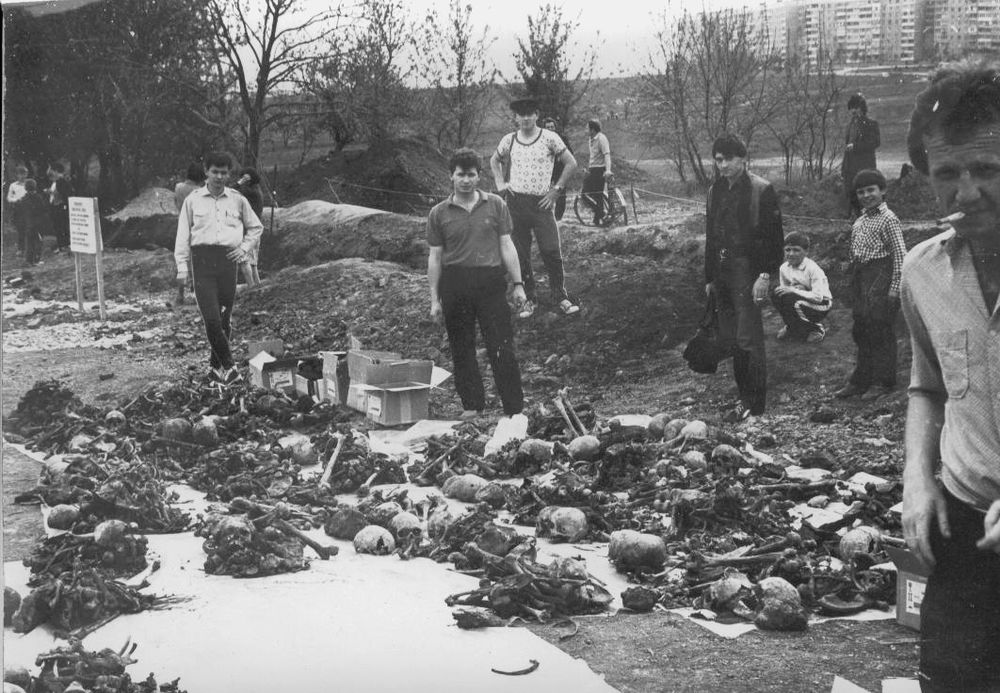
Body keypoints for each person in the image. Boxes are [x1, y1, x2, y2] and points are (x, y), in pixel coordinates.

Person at [899, 61, 1000, 693]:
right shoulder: (922, 273)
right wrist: (917, 477)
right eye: (947, 174)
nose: (966, 193)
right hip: (965, 528)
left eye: (987, 169)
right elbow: (928, 386)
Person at [427, 148, 526, 419]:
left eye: (471, 175)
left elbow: (507, 245)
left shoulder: (496, 205)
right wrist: (434, 299)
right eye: (461, 175)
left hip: (490, 282)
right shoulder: (438, 213)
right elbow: (435, 257)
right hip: (455, 283)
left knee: (501, 345)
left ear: (479, 176)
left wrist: (518, 284)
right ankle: (472, 406)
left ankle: (514, 408)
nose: (466, 180)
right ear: (451, 176)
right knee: (462, 347)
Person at [704, 133, 784, 422]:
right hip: (722, 270)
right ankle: (743, 398)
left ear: (742, 159)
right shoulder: (714, 191)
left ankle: (755, 403)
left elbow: (774, 240)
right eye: (718, 160)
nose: (722, 165)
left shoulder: (761, 190)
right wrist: (709, 278)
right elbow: (711, 237)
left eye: (728, 159)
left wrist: (764, 275)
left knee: (748, 337)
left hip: (747, 270)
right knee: (731, 337)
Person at [175, 151, 263, 381]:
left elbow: (256, 227)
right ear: (206, 171)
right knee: (212, 318)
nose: (219, 177)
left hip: (228, 263)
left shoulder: (237, 199)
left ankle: (215, 370)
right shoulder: (193, 200)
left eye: (224, 173)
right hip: (202, 262)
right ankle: (231, 368)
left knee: (224, 320)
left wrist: (244, 249)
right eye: (215, 172)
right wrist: (182, 267)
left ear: (229, 174)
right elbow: (183, 234)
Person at [490, 97, 579, 318]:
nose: (526, 118)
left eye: (530, 114)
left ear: (537, 115)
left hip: (541, 204)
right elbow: (494, 160)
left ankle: (560, 296)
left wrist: (556, 190)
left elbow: (571, 163)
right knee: (520, 253)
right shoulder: (509, 140)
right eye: (521, 114)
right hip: (516, 203)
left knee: (551, 249)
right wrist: (500, 183)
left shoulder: (550, 137)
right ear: (516, 117)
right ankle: (529, 298)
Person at [833, 169, 906, 401]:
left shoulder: (889, 219)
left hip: (881, 278)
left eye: (871, 190)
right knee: (861, 330)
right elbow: (856, 253)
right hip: (862, 280)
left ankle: (883, 382)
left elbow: (900, 256)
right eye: (861, 192)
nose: (866, 195)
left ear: (882, 191)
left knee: (880, 331)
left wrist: (895, 288)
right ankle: (860, 380)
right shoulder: (860, 221)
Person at [770, 231, 832, 343]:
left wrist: (794, 290)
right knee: (778, 294)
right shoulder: (784, 268)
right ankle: (791, 326)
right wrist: (795, 289)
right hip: (804, 300)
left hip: (822, 304)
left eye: (796, 250)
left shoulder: (812, 269)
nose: (791, 254)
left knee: (794, 302)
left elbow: (818, 297)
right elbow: (785, 291)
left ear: (806, 252)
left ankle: (816, 328)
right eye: (788, 250)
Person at [173, 163, 207, 305]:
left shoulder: (178, 187)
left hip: (182, 226)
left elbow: (176, 204)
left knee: (182, 261)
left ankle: (180, 294)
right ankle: (196, 291)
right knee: (198, 261)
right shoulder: (200, 191)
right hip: (197, 228)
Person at [842, 94, 880, 218]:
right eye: (851, 108)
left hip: (865, 167)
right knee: (852, 195)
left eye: (856, 107)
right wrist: (844, 168)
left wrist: (856, 147)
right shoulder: (849, 126)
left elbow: (875, 143)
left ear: (862, 108)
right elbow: (847, 149)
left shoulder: (871, 124)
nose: (853, 111)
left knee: (867, 196)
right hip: (850, 168)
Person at [235, 167, 264, 287]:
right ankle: (257, 285)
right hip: (255, 230)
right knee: (253, 262)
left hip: (249, 230)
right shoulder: (256, 190)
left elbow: (232, 191)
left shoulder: (251, 192)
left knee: (245, 260)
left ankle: (251, 287)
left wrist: (240, 182)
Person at [581, 119, 612, 225]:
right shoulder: (591, 139)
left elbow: (607, 155)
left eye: (587, 128)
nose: (585, 130)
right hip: (592, 169)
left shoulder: (601, 138)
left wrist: (608, 170)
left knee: (585, 194)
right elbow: (593, 157)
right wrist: (588, 168)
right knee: (596, 196)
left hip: (599, 170)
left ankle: (601, 214)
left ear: (592, 130)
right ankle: (597, 220)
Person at [541, 117, 571, 221]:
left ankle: (558, 218)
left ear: (555, 127)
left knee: (561, 193)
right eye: (548, 127)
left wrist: (561, 157)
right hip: (546, 170)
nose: (550, 129)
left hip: (559, 169)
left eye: (552, 127)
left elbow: (570, 153)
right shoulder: (541, 140)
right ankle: (543, 216)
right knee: (543, 191)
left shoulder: (562, 138)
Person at [19, 179, 49, 266]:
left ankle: (29, 260)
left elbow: (22, 212)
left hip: (28, 223)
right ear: (35, 187)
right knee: (38, 242)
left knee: (29, 242)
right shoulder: (38, 198)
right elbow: (43, 210)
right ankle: (36, 260)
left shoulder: (23, 199)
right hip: (37, 223)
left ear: (25, 188)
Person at [47, 162, 72, 253]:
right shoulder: (56, 181)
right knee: (58, 226)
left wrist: (54, 193)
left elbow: (65, 194)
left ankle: (64, 245)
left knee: (62, 226)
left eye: (52, 171)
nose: (51, 173)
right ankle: (61, 244)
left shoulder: (62, 181)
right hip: (56, 206)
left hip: (61, 207)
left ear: (56, 171)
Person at [5, 164, 29, 257]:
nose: (22, 176)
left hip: (28, 208)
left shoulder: (29, 183)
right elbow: (9, 198)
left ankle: (31, 248)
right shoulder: (13, 185)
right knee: (21, 229)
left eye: (24, 174)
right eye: (20, 174)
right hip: (18, 209)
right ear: (17, 175)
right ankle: (21, 249)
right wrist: (16, 200)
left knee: (30, 228)